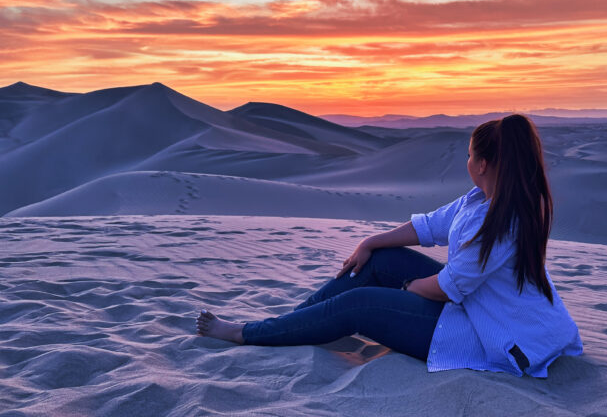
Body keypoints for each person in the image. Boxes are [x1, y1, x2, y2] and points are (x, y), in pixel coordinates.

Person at [196, 114, 583, 377]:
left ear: (482, 164)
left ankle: (246, 333)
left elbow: (450, 287)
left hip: (493, 335)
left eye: (469, 155)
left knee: (358, 305)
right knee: (379, 261)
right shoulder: (481, 200)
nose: (467, 161)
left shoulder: (502, 222)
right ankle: (290, 326)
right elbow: (429, 226)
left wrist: (409, 288)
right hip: (476, 306)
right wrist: (370, 241)